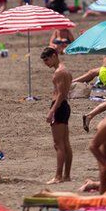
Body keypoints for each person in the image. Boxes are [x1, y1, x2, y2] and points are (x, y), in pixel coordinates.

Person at [41, 48, 72, 184]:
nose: (45, 63)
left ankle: (58, 176)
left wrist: (52, 111)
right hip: (65, 106)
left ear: (54, 56)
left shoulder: (59, 72)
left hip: (59, 106)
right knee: (65, 143)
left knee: (58, 144)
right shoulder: (65, 70)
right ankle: (66, 175)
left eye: (47, 59)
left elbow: (60, 95)